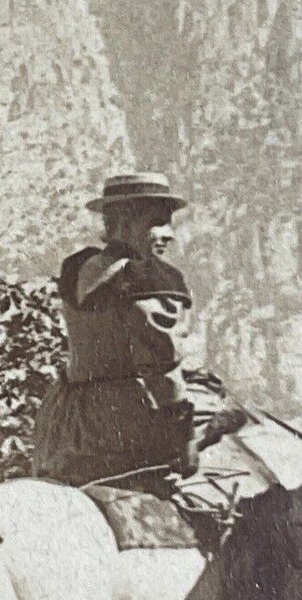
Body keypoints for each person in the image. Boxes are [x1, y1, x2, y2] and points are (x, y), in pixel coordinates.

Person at [33, 172, 240, 490]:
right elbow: (164, 372)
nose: (169, 234)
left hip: (69, 419)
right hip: (125, 423)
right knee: (236, 424)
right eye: (157, 222)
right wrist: (184, 441)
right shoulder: (145, 283)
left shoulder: (82, 269)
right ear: (125, 221)